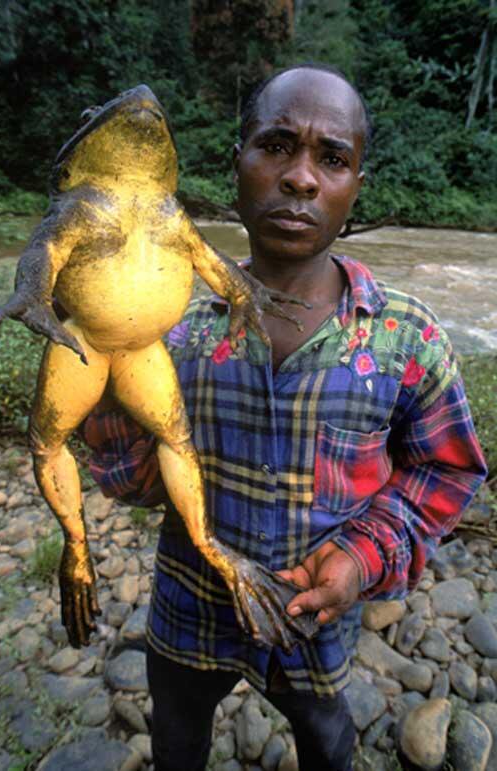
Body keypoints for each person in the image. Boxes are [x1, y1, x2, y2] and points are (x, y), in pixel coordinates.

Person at [82, 64, 487, 771]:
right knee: (178, 738)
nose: (301, 178)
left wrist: (362, 560)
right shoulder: (169, 325)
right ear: (235, 164)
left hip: (317, 625)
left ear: (355, 185)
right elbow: (133, 479)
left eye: (331, 158)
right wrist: (100, 364)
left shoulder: (406, 337)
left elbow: (446, 470)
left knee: (327, 739)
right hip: (191, 607)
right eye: (275, 146)